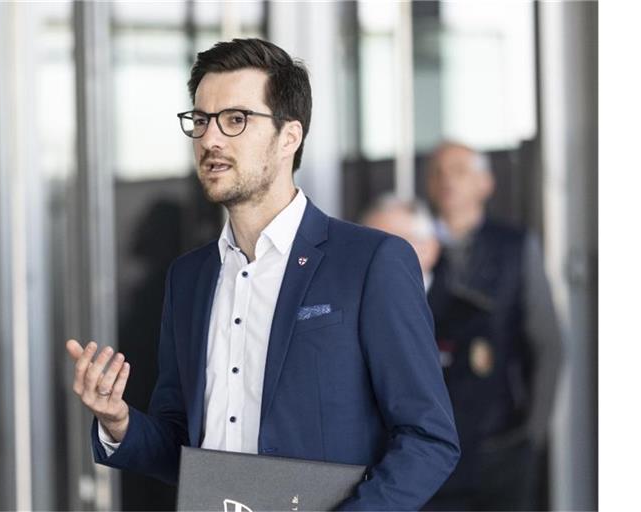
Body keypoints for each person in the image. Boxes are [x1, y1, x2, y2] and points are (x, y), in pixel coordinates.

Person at [66, 38, 459, 511]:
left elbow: (428, 439)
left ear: (288, 137)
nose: (210, 139)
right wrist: (119, 422)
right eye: (202, 120)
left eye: (235, 120)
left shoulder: (371, 261)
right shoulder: (188, 279)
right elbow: (184, 451)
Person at [422, 141, 564, 511]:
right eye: (439, 172)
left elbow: (547, 344)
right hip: (429, 445)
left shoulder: (515, 247)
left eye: (460, 171)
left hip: (500, 441)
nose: (447, 181)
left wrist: (531, 434)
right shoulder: (410, 243)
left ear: (485, 184)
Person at [361, 195, 440, 290]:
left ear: (429, 248)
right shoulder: (348, 298)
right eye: (373, 242)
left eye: (396, 242)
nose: (382, 252)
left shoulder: (456, 300)